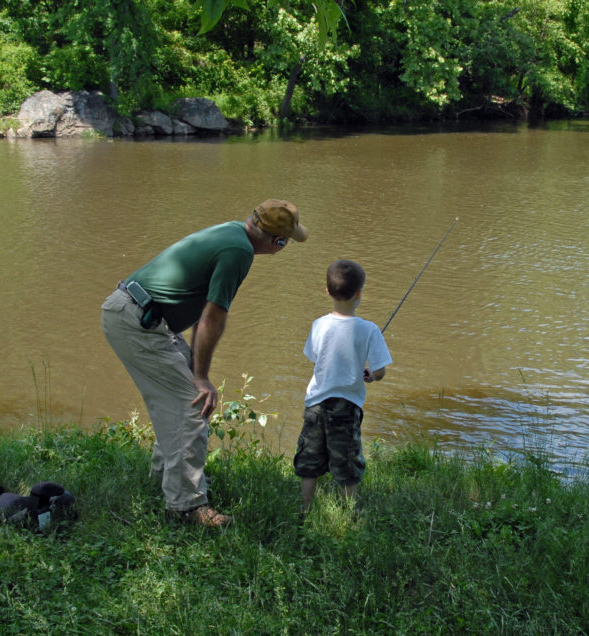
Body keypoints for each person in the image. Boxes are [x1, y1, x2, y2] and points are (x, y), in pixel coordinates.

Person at [101, 199, 308, 528]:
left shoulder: (232, 233)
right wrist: (201, 377)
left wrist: (196, 370)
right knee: (192, 403)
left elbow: (203, 311)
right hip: (137, 322)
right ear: (277, 242)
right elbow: (213, 318)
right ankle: (186, 506)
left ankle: (165, 482)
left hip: (140, 316)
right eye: (286, 241)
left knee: (179, 401)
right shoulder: (239, 252)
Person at [295, 259, 392, 512]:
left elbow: (315, 358)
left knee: (309, 460)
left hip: (315, 405)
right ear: (359, 293)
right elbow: (380, 371)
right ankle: (349, 512)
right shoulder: (369, 330)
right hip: (346, 407)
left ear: (327, 291)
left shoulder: (318, 324)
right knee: (347, 461)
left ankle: (305, 508)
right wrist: (371, 375)